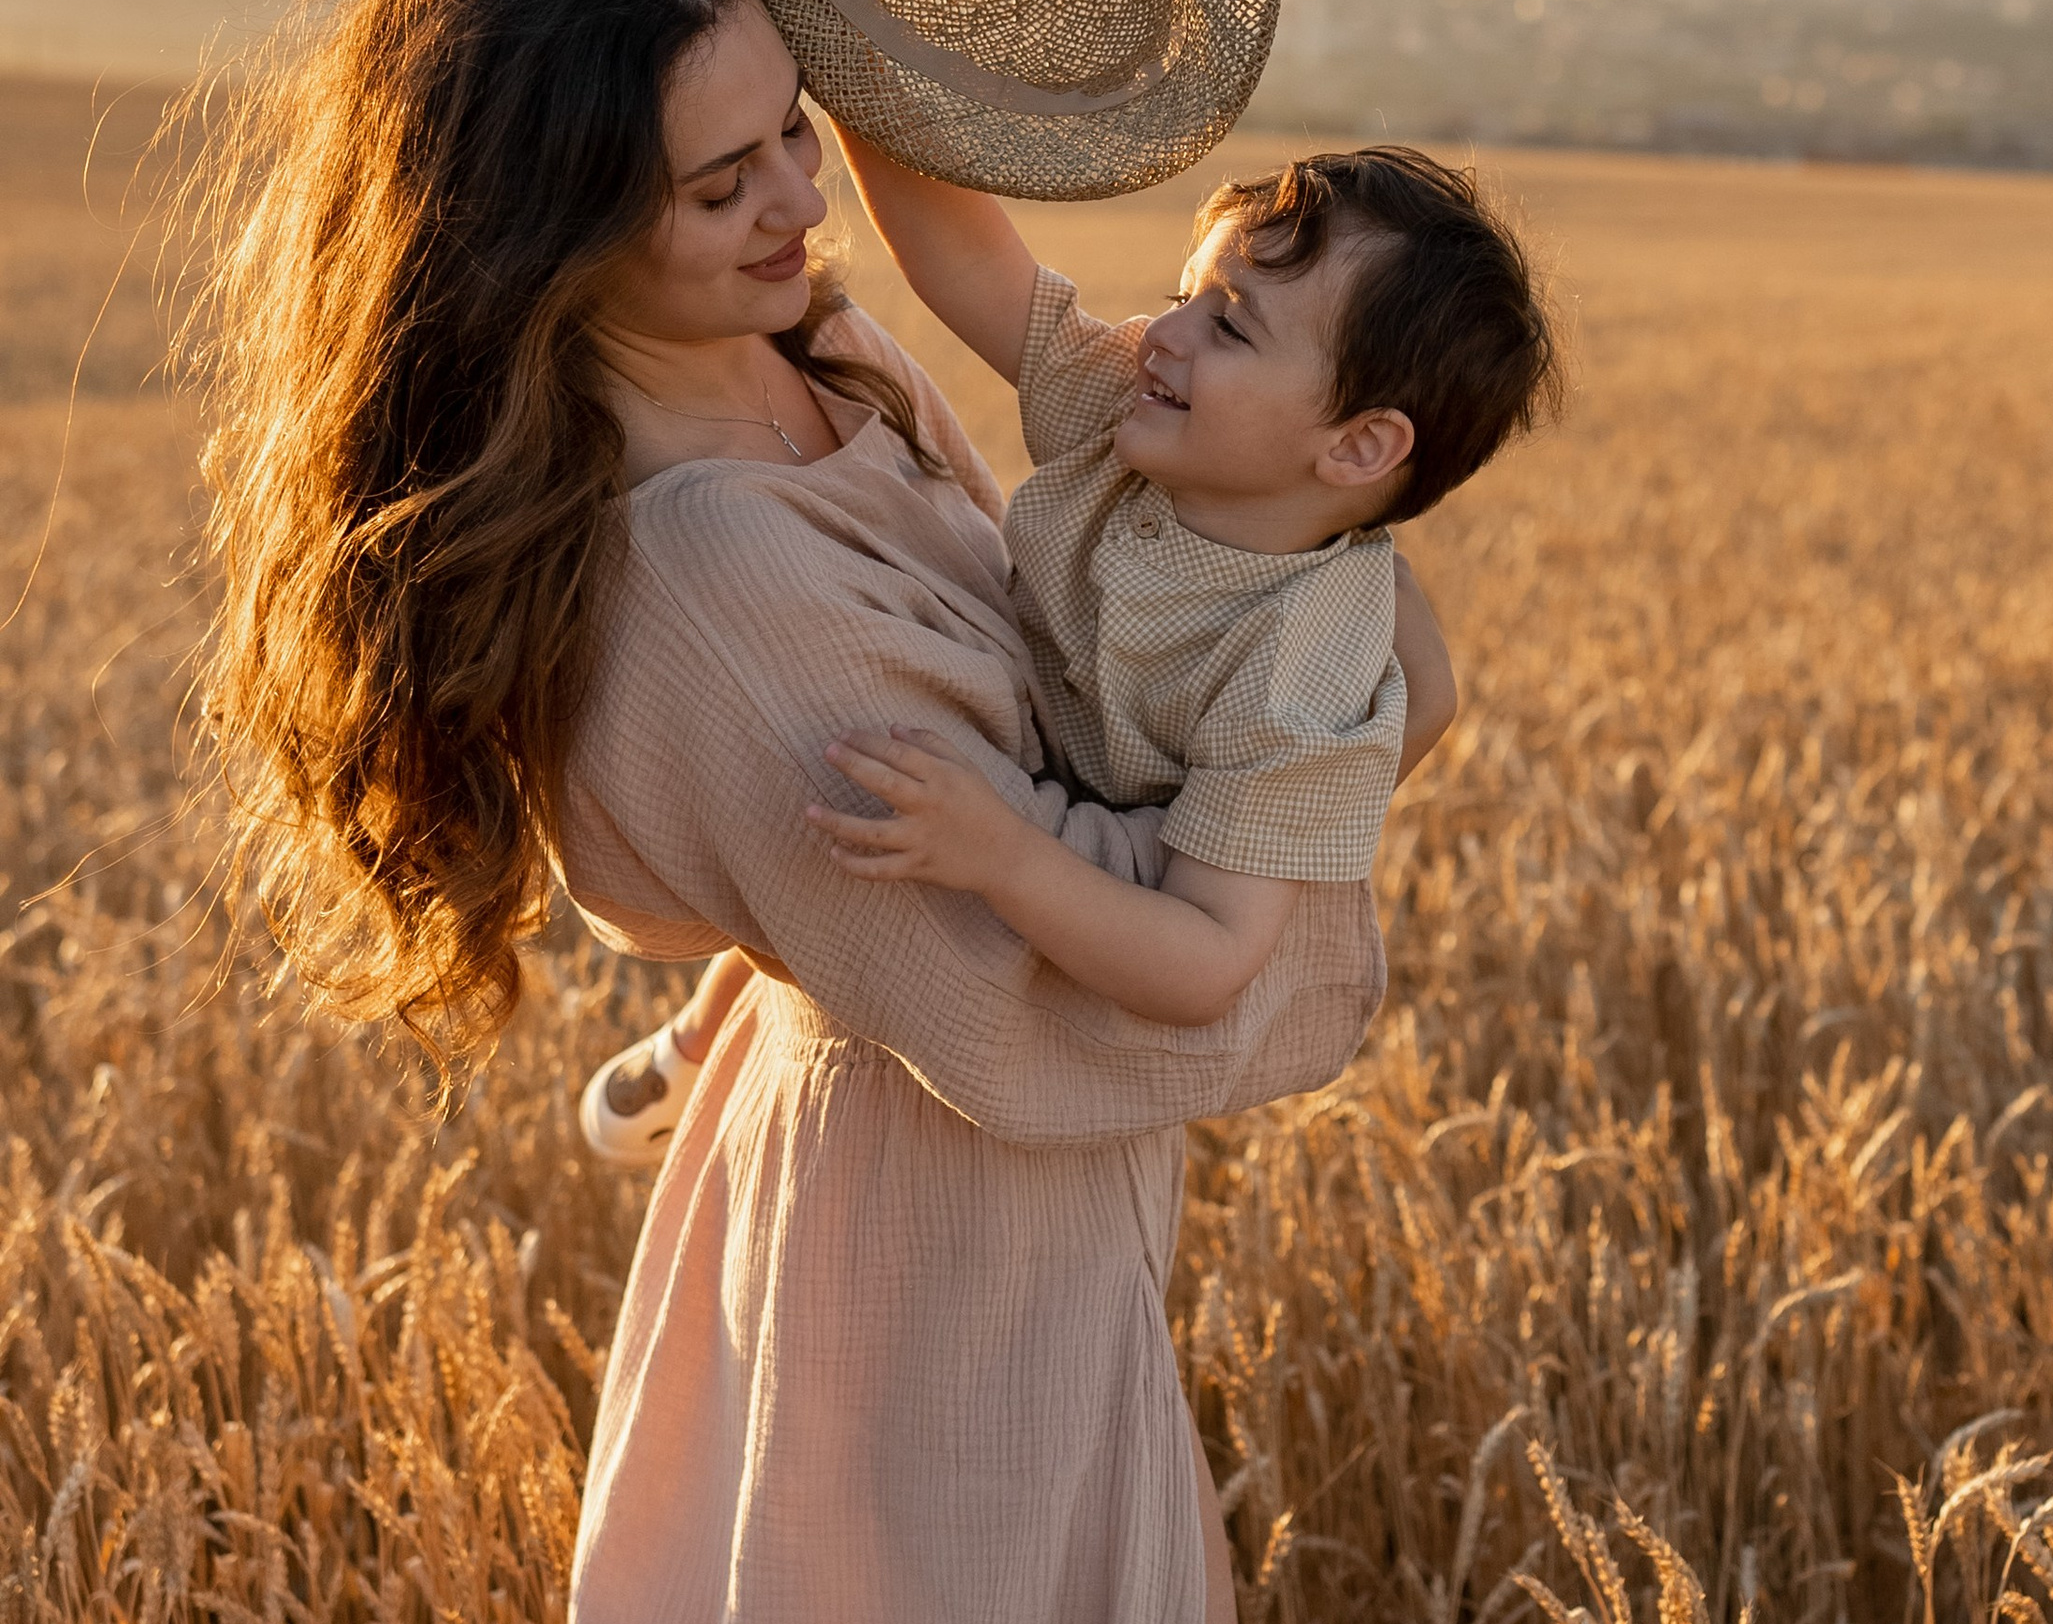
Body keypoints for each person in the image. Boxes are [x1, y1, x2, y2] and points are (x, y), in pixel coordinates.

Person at [190, 0, 1450, 1624]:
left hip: (964, 1184)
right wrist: (1312, 785)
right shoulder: (708, 570)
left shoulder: (810, 354)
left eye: (798, 126)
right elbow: (1031, 998)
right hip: (928, 1218)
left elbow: (1069, 671)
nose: (794, 200)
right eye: (719, 177)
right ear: (550, 228)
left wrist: (1305, 679)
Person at [581, 144, 1550, 1166]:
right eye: (1184, 294)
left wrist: (1006, 854)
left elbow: (1205, 957)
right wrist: (860, 86)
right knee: (840, 812)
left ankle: (702, 1039)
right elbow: (975, 263)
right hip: (1016, 722)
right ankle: (702, 1036)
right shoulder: (1142, 418)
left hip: (1119, 872)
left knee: (898, 830)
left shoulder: (1303, 668)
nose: (1164, 334)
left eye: (1228, 325)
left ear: (1357, 447)